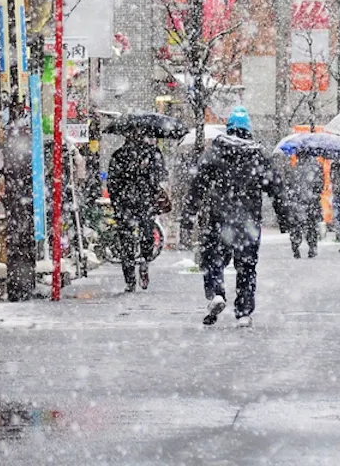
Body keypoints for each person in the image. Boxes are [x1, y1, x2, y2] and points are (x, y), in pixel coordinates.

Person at [189, 106, 289, 327]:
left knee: (213, 258)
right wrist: (285, 218)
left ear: (229, 128)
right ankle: (243, 311)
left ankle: (217, 292)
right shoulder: (258, 154)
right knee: (246, 266)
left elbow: (198, 183)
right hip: (248, 220)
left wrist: (189, 212)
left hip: (219, 217)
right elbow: (276, 187)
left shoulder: (217, 149)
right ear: (248, 129)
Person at [104, 135, 166, 292]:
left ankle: (131, 278)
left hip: (128, 203)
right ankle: (143, 263)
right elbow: (160, 176)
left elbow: (112, 182)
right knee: (144, 236)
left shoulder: (119, 155)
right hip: (142, 202)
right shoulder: (151, 153)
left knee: (128, 242)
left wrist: (117, 201)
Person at [288, 155, 324, 258]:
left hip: (298, 202)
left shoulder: (295, 168)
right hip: (311, 202)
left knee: (297, 226)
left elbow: (290, 186)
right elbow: (320, 186)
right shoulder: (316, 167)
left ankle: (296, 246)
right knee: (311, 226)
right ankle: (312, 247)